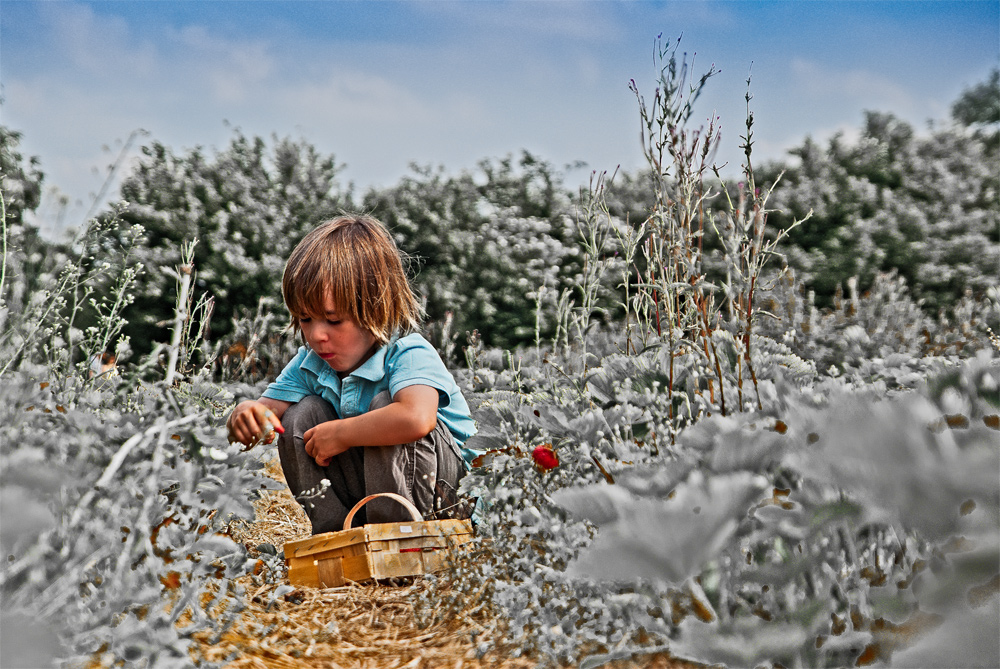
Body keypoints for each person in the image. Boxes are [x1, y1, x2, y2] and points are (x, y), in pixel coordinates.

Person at [226, 215, 477, 535]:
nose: (317, 335)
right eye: (305, 318)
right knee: (299, 416)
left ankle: (401, 539)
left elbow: (417, 419)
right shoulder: (312, 361)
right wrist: (245, 414)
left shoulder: (407, 351)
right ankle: (338, 537)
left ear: (377, 308)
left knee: (389, 408)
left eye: (333, 320)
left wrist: (342, 434)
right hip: (375, 490)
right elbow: (266, 412)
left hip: (443, 499)